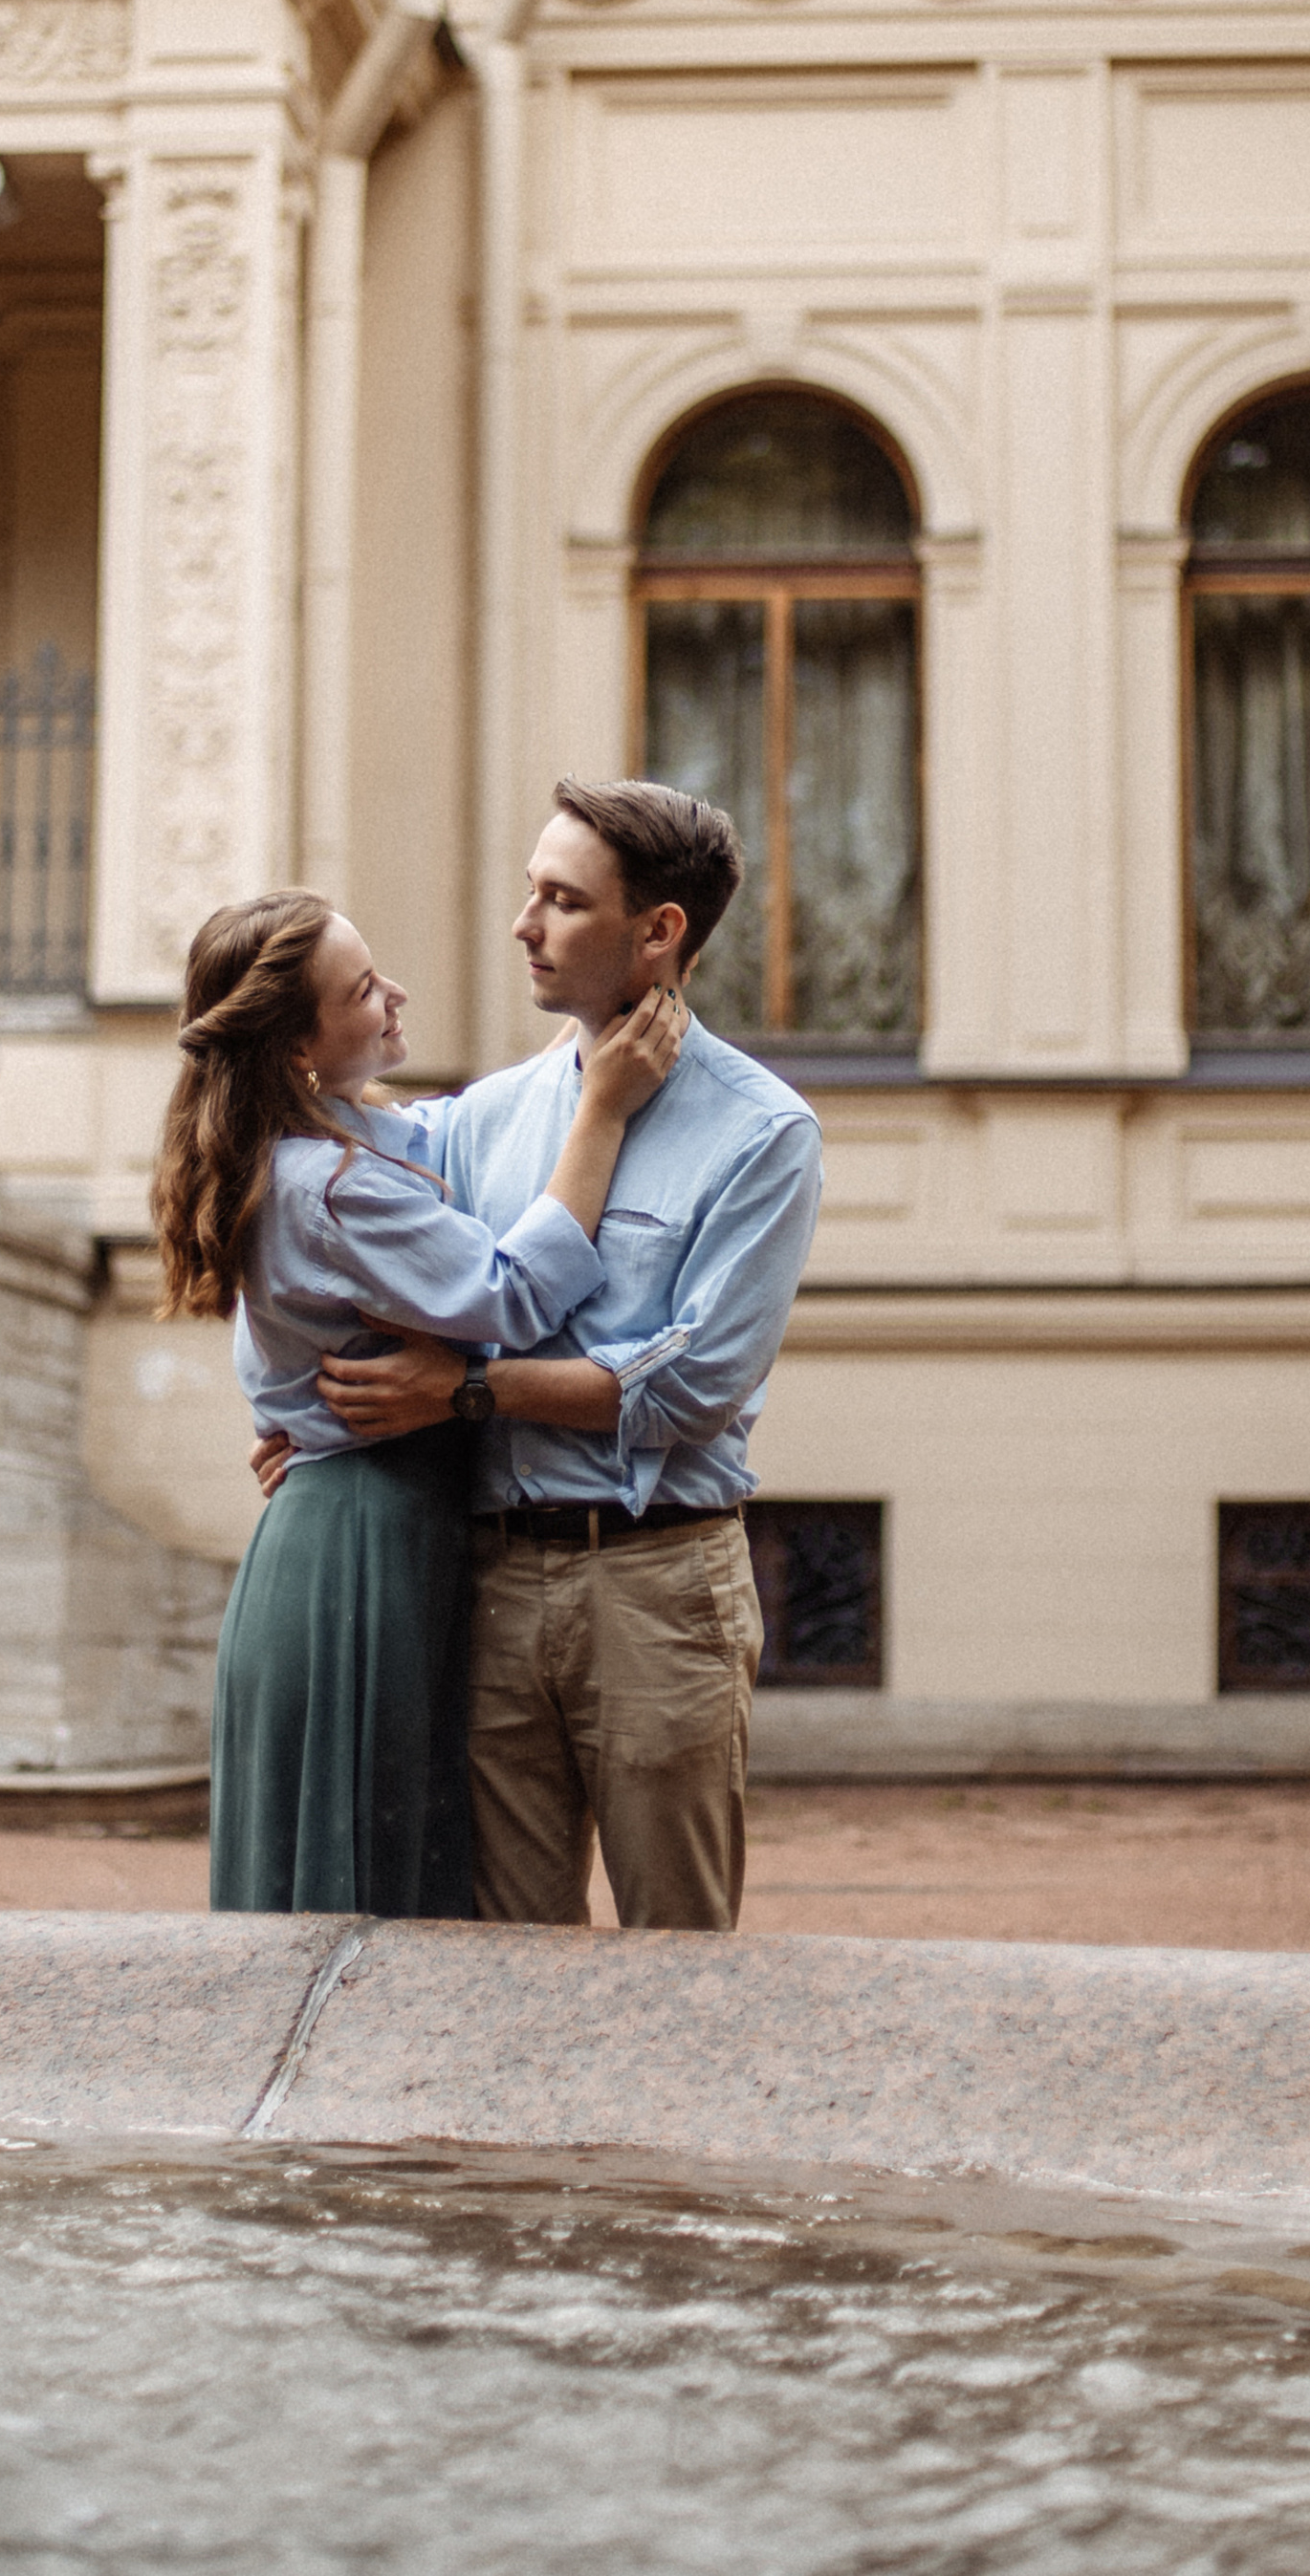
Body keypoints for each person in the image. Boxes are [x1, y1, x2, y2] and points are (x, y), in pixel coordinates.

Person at [283, 780, 824, 1936]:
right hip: (487, 1582)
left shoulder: (763, 1131)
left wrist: (466, 1388)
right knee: (504, 1964)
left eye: (561, 900)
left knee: (674, 1960)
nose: (523, 922)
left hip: (660, 1588)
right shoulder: (478, 1118)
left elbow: (689, 1384)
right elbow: (340, 1221)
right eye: (532, 890)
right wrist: (301, 1403)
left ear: (658, 930)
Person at [154, 886, 685, 1920]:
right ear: (299, 1047)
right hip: (362, 1546)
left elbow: (275, 1351)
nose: (395, 994)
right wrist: (604, 1110)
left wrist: (298, 1424)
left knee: (364, 1872)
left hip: (353, 1526)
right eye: (361, 989)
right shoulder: (331, 1183)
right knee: (366, 1893)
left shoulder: (337, 1144)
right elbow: (514, 1295)